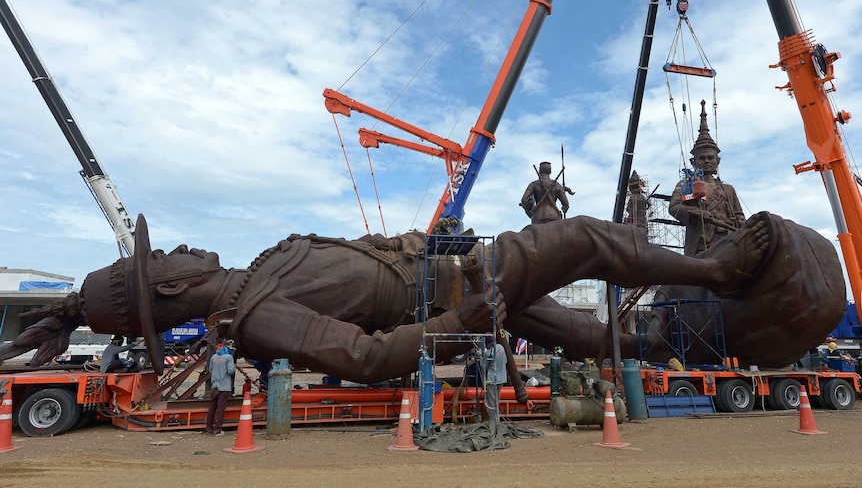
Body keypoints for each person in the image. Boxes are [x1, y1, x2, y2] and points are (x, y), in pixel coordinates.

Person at [0, 208, 847, 380]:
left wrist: (70, 308)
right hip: (454, 290)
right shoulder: (256, 314)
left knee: (588, 338)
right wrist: (462, 324)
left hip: (448, 269)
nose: (179, 245)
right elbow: (365, 359)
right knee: (582, 238)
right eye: (164, 257)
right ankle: (728, 273)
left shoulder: (263, 265)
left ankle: (697, 335)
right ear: (171, 285)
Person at [670, 101, 745, 255]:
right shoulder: (686, 184)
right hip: (701, 242)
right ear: (694, 161)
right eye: (702, 158)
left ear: (718, 161)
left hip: (729, 240)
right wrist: (693, 212)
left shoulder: (728, 189)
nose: (706, 161)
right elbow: (674, 208)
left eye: (711, 158)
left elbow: (739, 215)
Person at [205, 337, 236, 436]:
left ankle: (209, 428)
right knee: (221, 408)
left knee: (212, 407)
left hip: (214, 386)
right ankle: (217, 429)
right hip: (224, 387)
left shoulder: (214, 357)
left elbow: (210, 370)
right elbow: (230, 371)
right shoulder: (229, 357)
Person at [481, 335, 507, 424]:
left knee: (492, 404)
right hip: (502, 379)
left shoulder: (489, 353)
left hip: (492, 380)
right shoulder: (501, 348)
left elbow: (483, 366)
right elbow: (505, 361)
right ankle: (496, 421)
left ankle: (494, 423)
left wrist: (481, 356)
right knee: (496, 402)